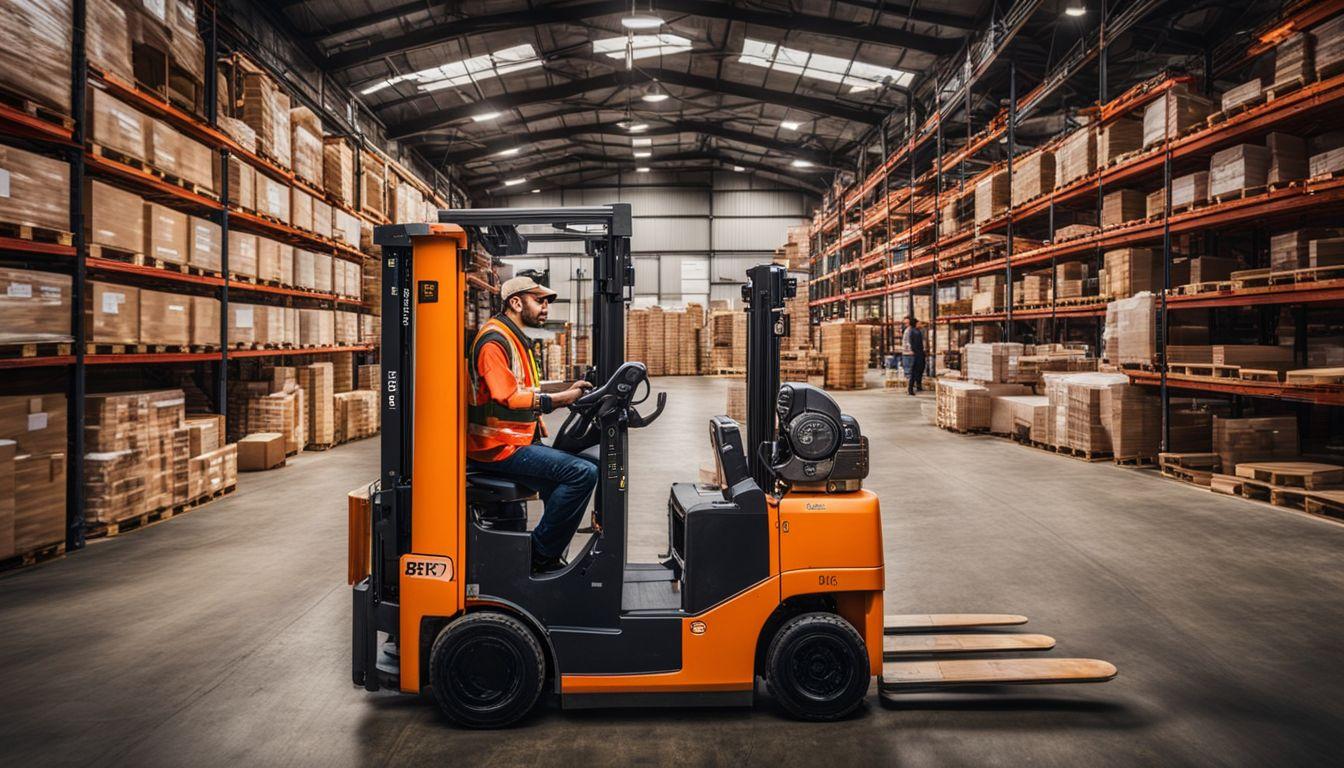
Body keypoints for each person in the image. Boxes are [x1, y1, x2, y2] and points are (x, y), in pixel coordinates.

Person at [467, 276, 595, 573]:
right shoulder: (494, 341)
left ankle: (548, 559)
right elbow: (508, 396)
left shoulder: (513, 337)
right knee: (582, 474)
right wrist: (561, 399)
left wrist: (565, 389)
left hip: (516, 442)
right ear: (515, 302)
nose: (546, 307)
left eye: (547, 302)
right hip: (497, 447)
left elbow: (526, 387)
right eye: (539, 301)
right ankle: (536, 556)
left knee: (565, 477)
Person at [905, 317, 926, 396]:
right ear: (915, 324)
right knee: (915, 371)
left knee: (918, 370)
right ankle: (910, 389)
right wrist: (917, 353)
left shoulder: (915, 331)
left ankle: (917, 386)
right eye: (918, 323)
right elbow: (916, 344)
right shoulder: (915, 332)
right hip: (917, 354)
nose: (920, 324)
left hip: (918, 353)